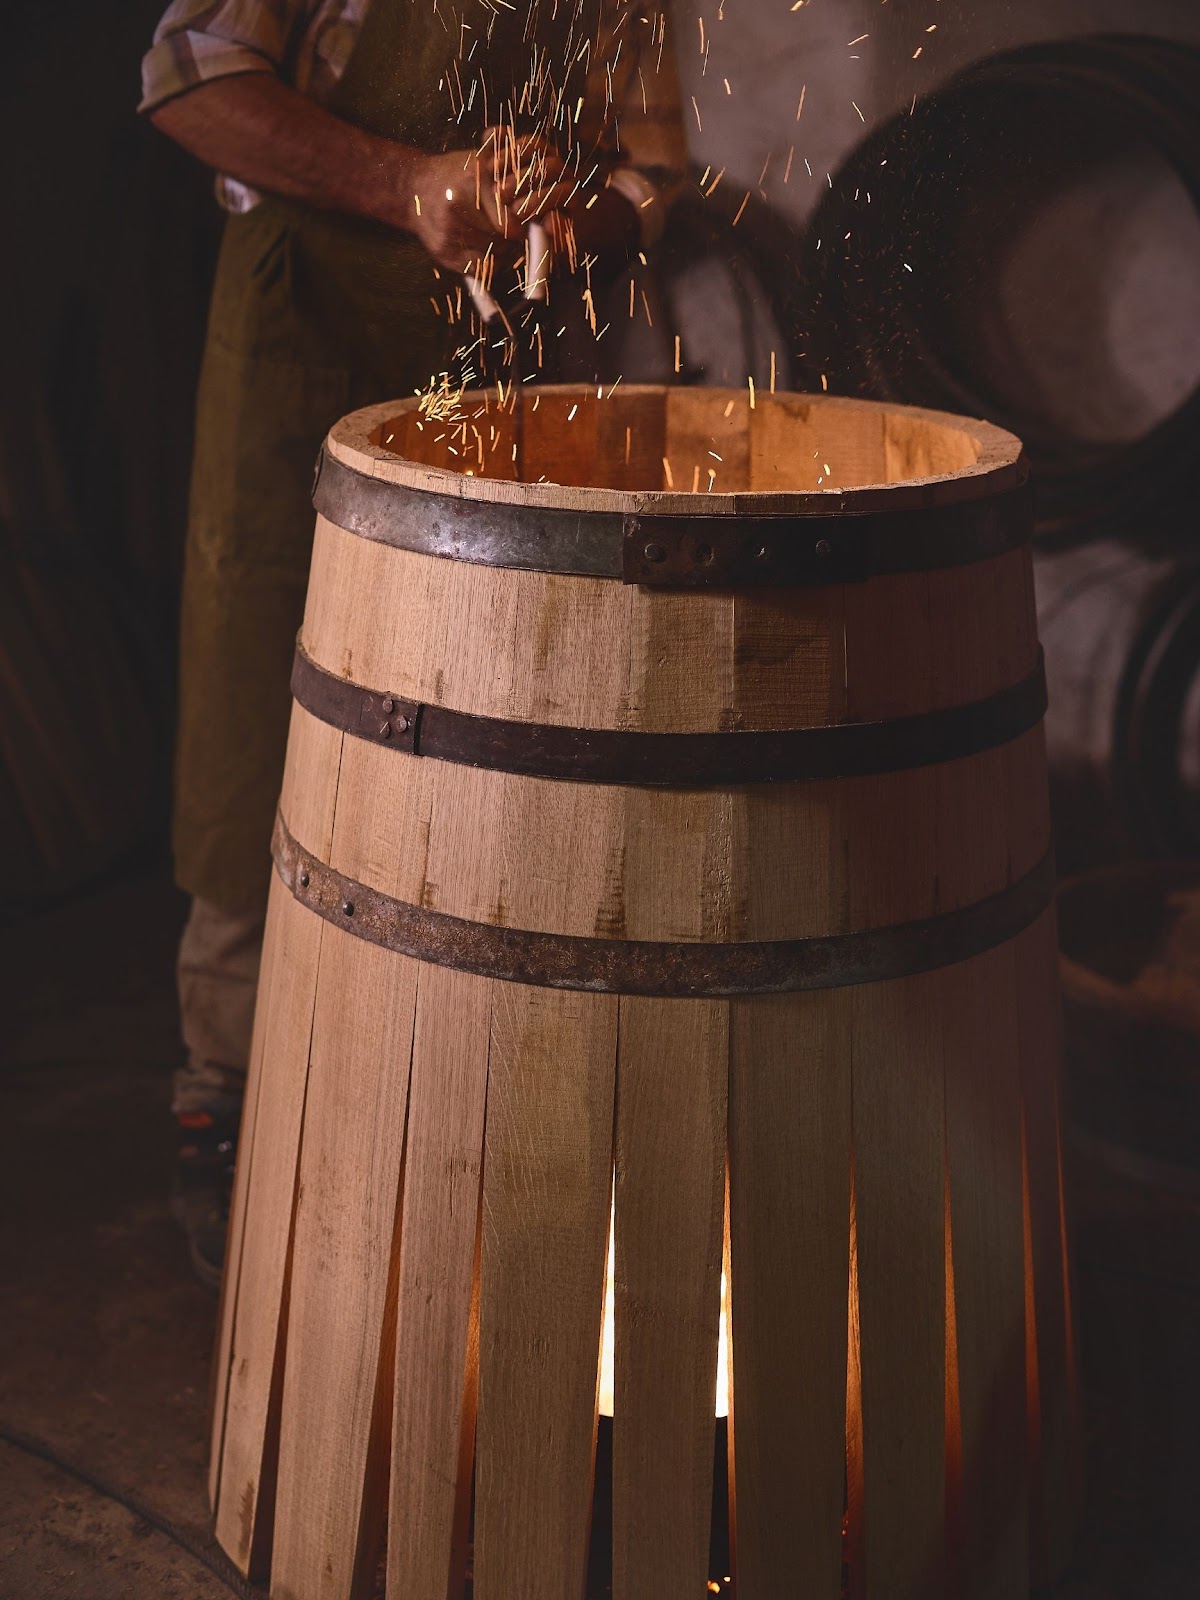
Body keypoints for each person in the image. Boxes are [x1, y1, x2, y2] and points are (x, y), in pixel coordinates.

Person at [139, 0, 686, 1286]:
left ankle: (440, 1088)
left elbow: (655, 175)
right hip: (306, 329)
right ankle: (223, 1091)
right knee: (260, 685)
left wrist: (565, 208)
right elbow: (184, 79)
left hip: (499, 350)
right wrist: (413, 185)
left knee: (480, 712)